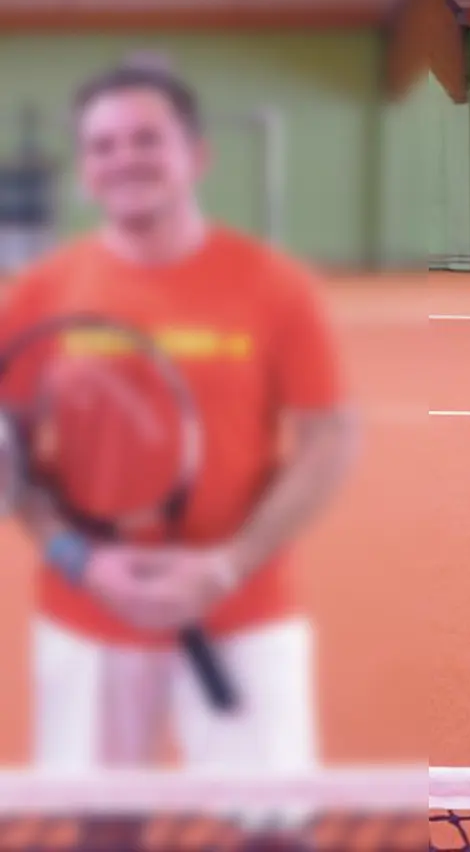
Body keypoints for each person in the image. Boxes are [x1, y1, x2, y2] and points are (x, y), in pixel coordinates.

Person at [0, 58, 357, 845]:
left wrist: (225, 564)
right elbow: (10, 454)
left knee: (273, 833)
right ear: (87, 171)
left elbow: (328, 436)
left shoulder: (272, 285)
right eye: (104, 146)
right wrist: (77, 557)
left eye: (146, 139)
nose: (124, 158)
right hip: (88, 611)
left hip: (245, 607)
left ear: (196, 154)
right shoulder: (40, 294)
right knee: (103, 832)